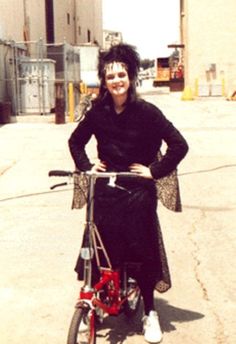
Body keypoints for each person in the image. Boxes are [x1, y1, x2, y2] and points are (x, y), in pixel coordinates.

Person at [68, 43, 188, 343]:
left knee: (140, 251)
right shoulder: (98, 111)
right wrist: (87, 167)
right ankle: (94, 305)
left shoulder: (147, 112)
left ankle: (150, 312)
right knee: (96, 249)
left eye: (122, 74)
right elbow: (75, 142)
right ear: (104, 81)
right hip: (106, 187)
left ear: (131, 77)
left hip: (138, 190)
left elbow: (179, 145)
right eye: (111, 76)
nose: (117, 81)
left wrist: (154, 171)